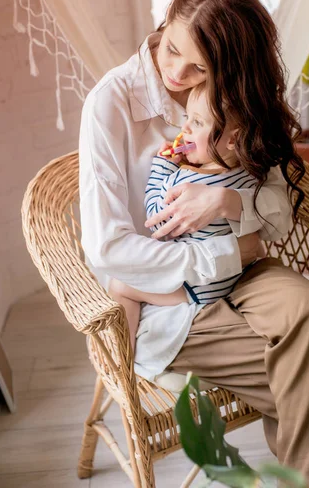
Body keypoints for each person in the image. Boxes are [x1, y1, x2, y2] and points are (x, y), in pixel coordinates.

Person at [79, 0, 309, 486]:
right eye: (173, 48)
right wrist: (227, 254)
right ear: (167, 17)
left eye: (200, 65)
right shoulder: (109, 105)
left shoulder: (228, 88)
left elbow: (278, 200)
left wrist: (226, 201)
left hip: (248, 270)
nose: (179, 72)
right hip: (169, 299)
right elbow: (108, 247)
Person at [109, 83, 274, 346]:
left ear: (232, 139)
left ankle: (122, 356)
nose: (184, 130)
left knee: (119, 286)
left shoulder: (183, 180)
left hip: (198, 288)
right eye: (187, 118)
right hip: (236, 277)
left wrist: (162, 167)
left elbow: (155, 215)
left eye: (197, 122)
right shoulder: (249, 175)